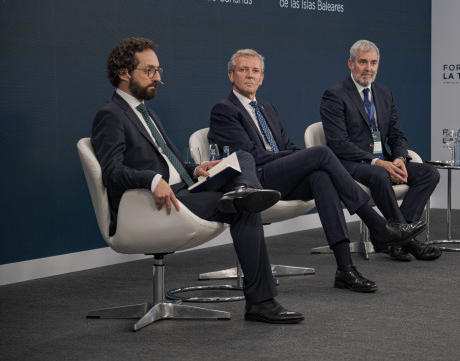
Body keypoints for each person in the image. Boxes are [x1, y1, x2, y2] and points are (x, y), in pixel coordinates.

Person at [91, 37, 303, 324]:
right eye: (149, 71)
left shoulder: (146, 112)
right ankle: (261, 303)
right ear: (124, 73)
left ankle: (245, 189)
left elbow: (169, 162)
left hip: (185, 187)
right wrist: (152, 180)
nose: (157, 78)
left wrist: (197, 169)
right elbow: (112, 172)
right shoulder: (111, 115)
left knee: (242, 158)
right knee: (243, 208)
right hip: (151, 204)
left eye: (158, 71)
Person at [209, 49, 427, 292]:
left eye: (255, 71)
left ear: (262, 78)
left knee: (321, 177)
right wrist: (298, 157)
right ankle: (378, 226)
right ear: (231, 76)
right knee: (321, 153)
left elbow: (288, 146)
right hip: (256, 180)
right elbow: (247, 155)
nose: (250, 75)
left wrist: (296, 157)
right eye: (243, 70)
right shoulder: (224, 110)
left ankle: (345, 269)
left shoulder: (267, 108)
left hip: (280, 175)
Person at [320, 40, 441, 262]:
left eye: (373, 63)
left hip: (384, 161)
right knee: (380, 174)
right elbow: (339, 143)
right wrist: (378, 163)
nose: (368, 68)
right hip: (350, 164)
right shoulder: (334, 95)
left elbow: (396, 134)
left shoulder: (385, 94)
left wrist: (399, 158)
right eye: (363, 62)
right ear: (351, 63)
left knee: (429, 173)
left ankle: (395, 238)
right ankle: (408, 241)